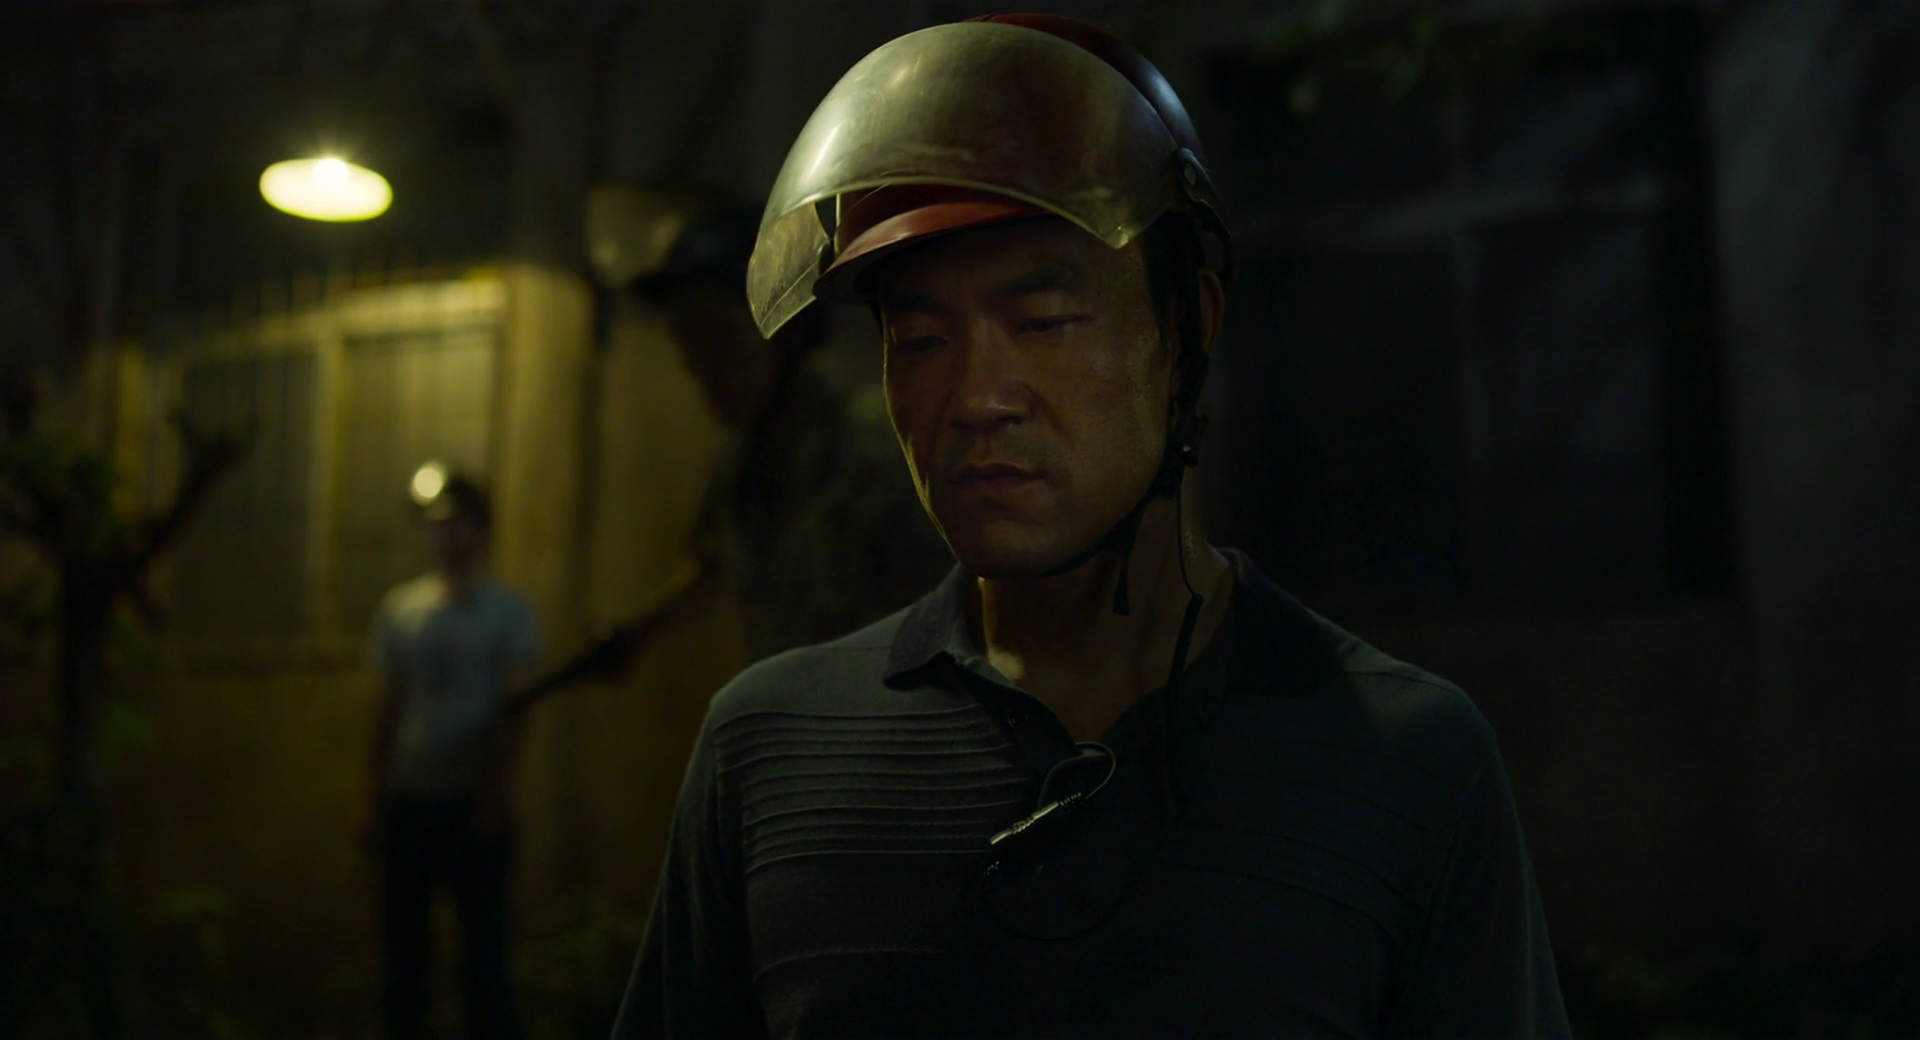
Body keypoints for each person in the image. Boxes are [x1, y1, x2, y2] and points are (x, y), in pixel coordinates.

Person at [614, 13, 1570, 1038]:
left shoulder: (1406, 759)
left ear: (1187, 329)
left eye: (1044, 322)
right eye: (921, 338)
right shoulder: (767, 750)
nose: (976, 397)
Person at [605, 199, 951, 665]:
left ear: (790, 331)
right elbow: (718, 565)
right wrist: (637, 634)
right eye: (687, 342)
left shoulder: (879, 452)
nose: (700, 368)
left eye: (719, 336)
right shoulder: (741, 462)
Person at [367, 467, 541, 1040]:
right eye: (436, 523)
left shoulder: (507, 611)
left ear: (482, 528)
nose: (446, 535)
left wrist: (494, 796)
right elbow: (388, 708)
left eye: (459, 522)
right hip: (412, 800)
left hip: (473, 804)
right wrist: (375, 797)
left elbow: (515, 712)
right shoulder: (402, 609)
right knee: (405, 960)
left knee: (485, 961)